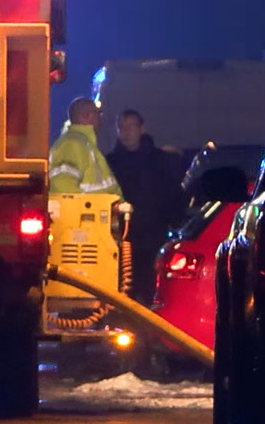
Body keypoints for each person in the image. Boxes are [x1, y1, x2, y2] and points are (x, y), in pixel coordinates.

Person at [105, 109, 186, 304]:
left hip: (153, 235)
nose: (126, 132)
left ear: (142, 128)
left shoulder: (160, 161)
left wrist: (175, 221)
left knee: (151, 288)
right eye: (121, 127)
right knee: (125, 290)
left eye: (130, 126)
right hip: (122, 238)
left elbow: (174, 193)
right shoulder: (110, 163)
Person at [47, 97, 122, 196]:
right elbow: (63, 188)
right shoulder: (72, 144)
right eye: (98, 113)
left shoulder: (85, 144)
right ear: (85, 115)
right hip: (89, 211)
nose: (100, 117)